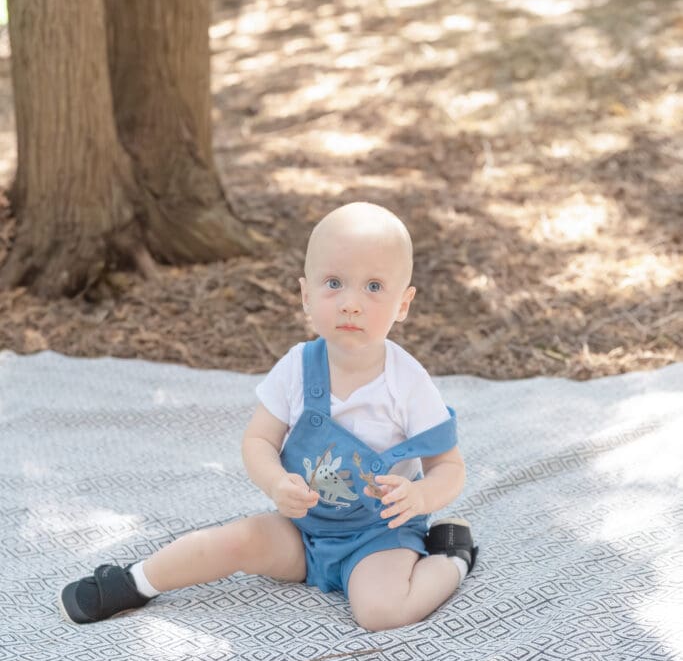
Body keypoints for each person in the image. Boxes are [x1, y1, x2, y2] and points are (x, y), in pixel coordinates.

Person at [60, 201, 477, 631]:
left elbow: (449, 467)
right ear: (306, 295)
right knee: (237, 539)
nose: (351, 303)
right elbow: (258, 441)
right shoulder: (297, 367)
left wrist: (422, 498)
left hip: (380, 536)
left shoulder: (407, 382)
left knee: (379, 611)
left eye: (374, 287)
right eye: (334, 283)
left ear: (403, 304)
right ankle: (135, 581)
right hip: (303, 530)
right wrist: (277, 482)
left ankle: (452, 558)